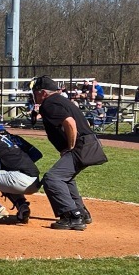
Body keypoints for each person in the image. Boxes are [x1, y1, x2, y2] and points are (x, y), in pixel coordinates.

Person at [31, 73, 106, 231]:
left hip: (81, 146)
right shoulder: (59, 100)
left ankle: (72, 216)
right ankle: (82, 213)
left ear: (43, 93)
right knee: (66, 178)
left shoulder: (49, 103)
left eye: (36, 92)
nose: (34, 95)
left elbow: (70, 123)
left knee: (52, 179)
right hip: (89, 144)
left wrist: (70, 147)